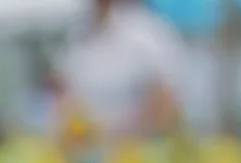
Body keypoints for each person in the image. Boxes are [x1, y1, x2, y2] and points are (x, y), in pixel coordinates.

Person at [51, 0, 188, 141]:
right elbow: (62, 90)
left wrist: (127, 133)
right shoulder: (77, 34)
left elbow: (167, 99)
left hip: (139, 150)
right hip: (87, 150)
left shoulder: (147, 32)